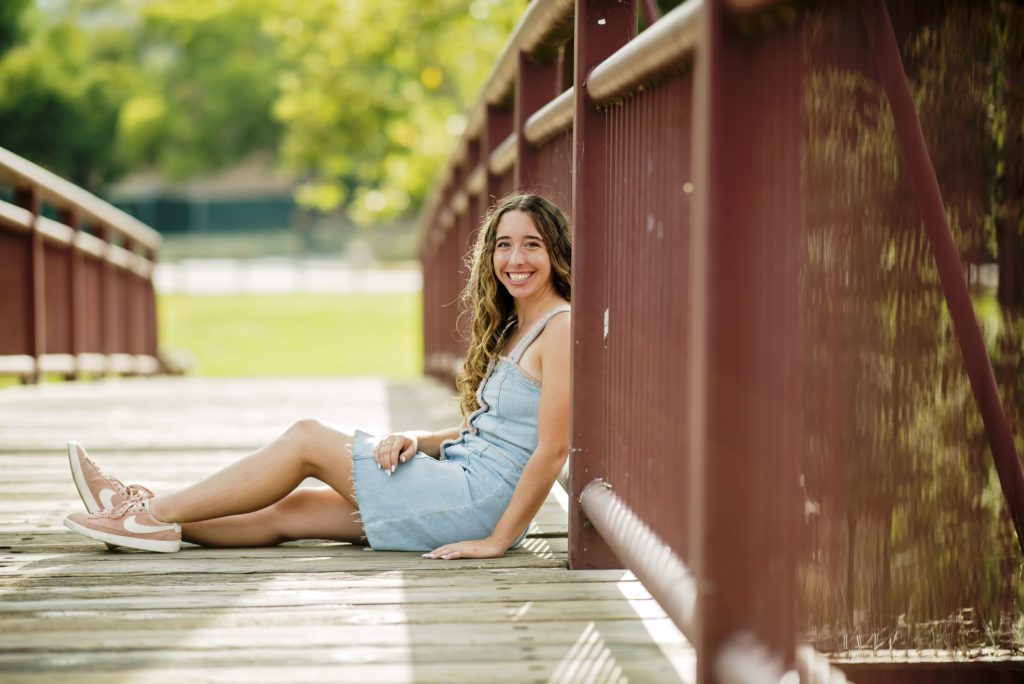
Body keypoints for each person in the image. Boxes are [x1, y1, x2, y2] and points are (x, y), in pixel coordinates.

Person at [63, 193, 572, 560]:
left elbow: (551, 450)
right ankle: (139, 524)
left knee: (307, 438)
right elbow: (494, 431)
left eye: (532, 245)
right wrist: (417, 439)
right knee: (294, 513)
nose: (515, 259)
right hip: (463, 483)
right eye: (504, 245)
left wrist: (498, 540)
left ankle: (144, 509)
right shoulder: (517, 325)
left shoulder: (561, 327)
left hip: (476, 501)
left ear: (556, 252)